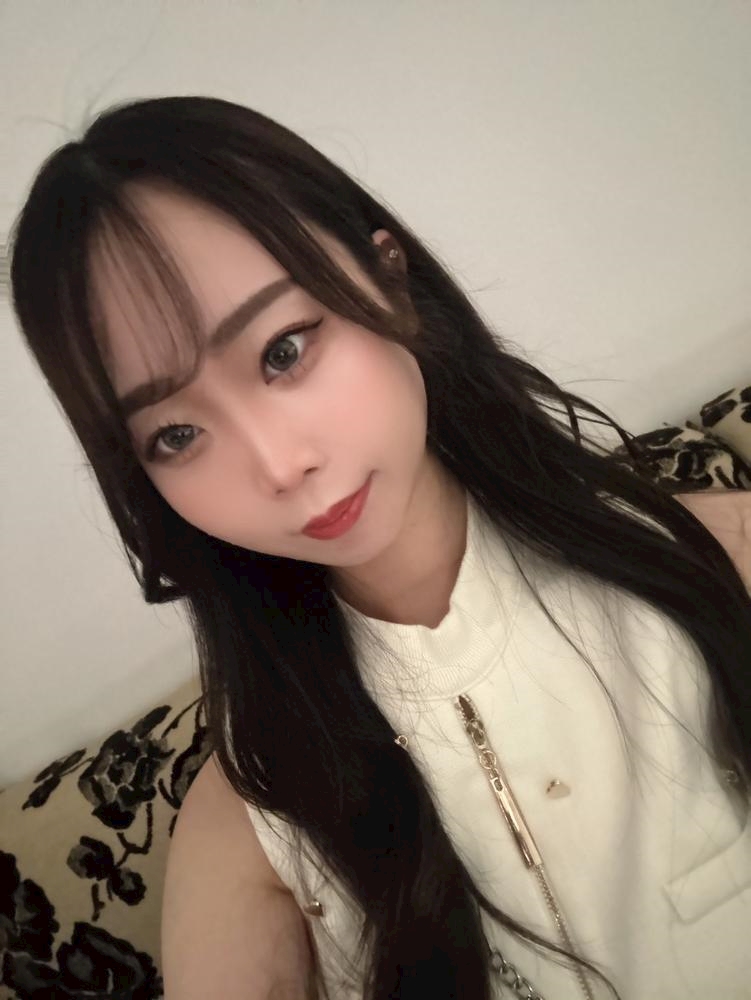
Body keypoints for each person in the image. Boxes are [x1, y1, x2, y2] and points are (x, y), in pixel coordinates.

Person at [9, 95, 751, 1000]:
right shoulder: (253, 827)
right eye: (175, 435)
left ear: (387, 279)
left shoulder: (718, 561)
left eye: (283, 351)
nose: (279, 465)